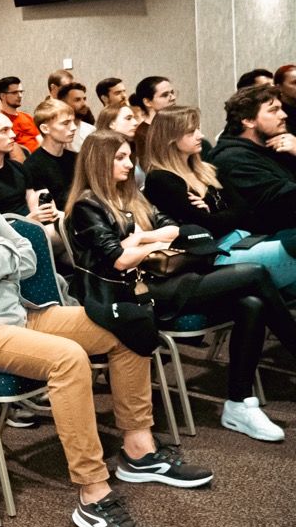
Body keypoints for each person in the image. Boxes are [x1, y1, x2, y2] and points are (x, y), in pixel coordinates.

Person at [0, 121, 213, 527]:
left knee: (128, 325)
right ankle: (93, 493)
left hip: (19, 315)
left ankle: (139, 449)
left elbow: (27, 253)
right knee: (67, 358)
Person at [67, 130, 296, 442]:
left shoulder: (132, 194)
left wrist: (140, 239)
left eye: (129, 156)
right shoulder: (87, 206)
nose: (129, 163)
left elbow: (175, 229)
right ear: (98, 163)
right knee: (254, 273)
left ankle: (238, 404)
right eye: (120, 158)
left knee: (252, 303)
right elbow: (120, 260)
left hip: (168, 279)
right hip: (134, 294)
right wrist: (145, 244)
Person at [144, 105, 296, 292]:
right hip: (216, 254)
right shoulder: (160, 179)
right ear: (170, 139)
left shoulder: (208, 170)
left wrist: (213, 212)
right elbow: (204, 228)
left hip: (245, 239)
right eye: (191, 132)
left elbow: (244, 210)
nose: (200, 136)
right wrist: (223, 215)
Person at [206, 84, 296, 233]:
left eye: (281, 108)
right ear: (248, 120)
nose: (283, 115)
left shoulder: (277, 145)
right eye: (273, 110)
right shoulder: (233, 159)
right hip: (264, 238)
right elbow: (288, 201)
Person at [0, 113, 57, 224]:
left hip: (34, 226)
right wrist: (27, 221)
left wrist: (42, 215)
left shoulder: (18, 167)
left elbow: (31, 199)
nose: (13, 135)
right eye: (4, 130)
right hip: (6, 233)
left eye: (11, 129)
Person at [25, 98, 77, 209]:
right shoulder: (33, 165)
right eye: (66, 123)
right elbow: (46, 212)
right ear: (45, 129)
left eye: (73, 121)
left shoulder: (76, 158)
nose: (74, 127)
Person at [96, 102, 145, 189]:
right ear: (112, 124)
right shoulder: (99, 152)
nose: (135, 122)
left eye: (134, 118)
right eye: (128, 118)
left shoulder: (132, 146)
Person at [130, 76, 176, 163]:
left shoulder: (174, 126)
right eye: (165, 95)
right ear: (147, 102)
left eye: (172, 93)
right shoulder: (143, 134)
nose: (173, 98)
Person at [0, 75, 39, 153]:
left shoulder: (27, 117)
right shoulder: (0, 121)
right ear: (2, 96)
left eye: (21, 92)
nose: (20, 96)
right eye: (14, 92)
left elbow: (39, 139)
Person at [59, 82, 96, 152]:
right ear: (64, 104)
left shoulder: (91, 130)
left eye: (84, 99)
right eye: (77, 100)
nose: (84, 104)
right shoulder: (57, 132)